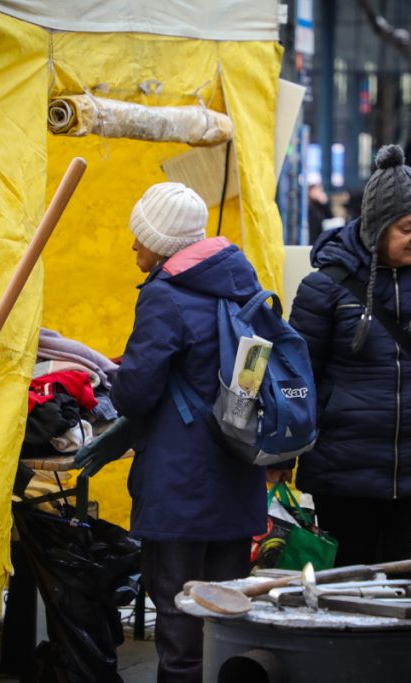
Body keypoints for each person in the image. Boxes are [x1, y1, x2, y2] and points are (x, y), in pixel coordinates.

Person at [109, 182, 285, 683]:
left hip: (180, 487)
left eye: (141, 237)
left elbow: (135, 393)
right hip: (237, 479)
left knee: (180, 619)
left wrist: (117, 378)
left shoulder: (164, 296)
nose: (134, 245)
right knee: (225, 615)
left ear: (162, 242)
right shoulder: (243, 285)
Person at [288, 145, 411, 568]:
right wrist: (284, 458)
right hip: (344, 475)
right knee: (351, 591)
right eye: (407, 228)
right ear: (377, 226)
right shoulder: (325, 286)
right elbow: (298, 379)